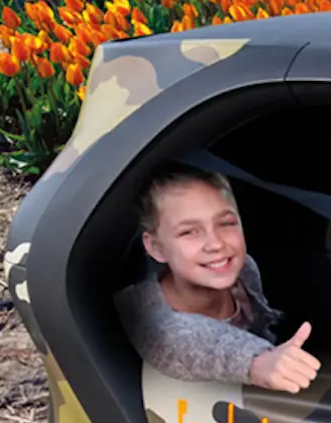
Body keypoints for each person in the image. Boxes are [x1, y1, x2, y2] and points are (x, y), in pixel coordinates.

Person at [117, 164, 320, 394]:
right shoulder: (150, 320)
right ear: (156, 247)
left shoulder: (245, 271)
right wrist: (258, 361)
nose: (215, 244)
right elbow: (179, 340)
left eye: (226, 223)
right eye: (189, 232)